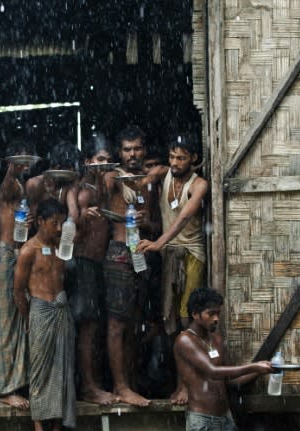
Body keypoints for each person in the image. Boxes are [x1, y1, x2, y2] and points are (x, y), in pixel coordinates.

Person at [174, 288, 273, 431]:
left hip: (225, 421)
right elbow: (211, 371)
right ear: (195, 314)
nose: (216, 318)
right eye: (211, 313)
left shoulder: (216, 340)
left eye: (218, 313)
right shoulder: (185, 341)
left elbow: (230, 380)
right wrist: (253, 365)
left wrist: (261, 371)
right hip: (202, 423)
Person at [138, 135, 209, 405]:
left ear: (194, 159)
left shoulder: (199, 185)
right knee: (169, 324)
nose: (175, 163)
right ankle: (177, 383)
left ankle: (187, 386)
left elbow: (185, 216)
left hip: (191, 255)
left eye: (181, 158)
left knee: (187, 322)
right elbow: (137, 183)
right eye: (172, 157)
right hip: (169, 256)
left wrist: (159, 241)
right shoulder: (163, 173)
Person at [101, 125, 158, 406]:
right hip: (120, 253)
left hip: (142, 252)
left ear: (144, 150)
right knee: (116, 324)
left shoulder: (149, 181)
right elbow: (101, 185)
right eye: (127, 149)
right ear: (119, 153)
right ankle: (120, 386)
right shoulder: (114, 178)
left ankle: (132, 382)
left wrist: (148, 222)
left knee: (136, 323)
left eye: (137, 148)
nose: (133, 154)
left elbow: (157, 225)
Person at [14, 198, 77, 431]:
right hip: (39, 309)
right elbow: (18, 291)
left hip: (61, 309)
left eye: (62, 223)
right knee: (39, 372)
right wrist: (30, 318)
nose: (59, 228)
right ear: (40, 221)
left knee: (62, 371)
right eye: (54, 223)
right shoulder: (29, 250)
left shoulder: (62, 246)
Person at [65, 136, 118, 405]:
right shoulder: (80, 189)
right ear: (87, 162)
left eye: (107, 159)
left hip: (97, 265)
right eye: (99, 159)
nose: (104, 164)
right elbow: (70, 233)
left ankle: (91, 383)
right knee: (85, 328)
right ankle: (87, 387)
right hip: (82, 264)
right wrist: (83, 219)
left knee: (94, 328)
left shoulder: (105, 186)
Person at [0, 139, 34, 411]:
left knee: (21, 322)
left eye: (26, 159)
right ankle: (4, 389)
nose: (23, 164)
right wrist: (11, 170)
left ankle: (18, 382)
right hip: (5, 256)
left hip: (21, 254)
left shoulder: (25, 188)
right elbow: (6, 187)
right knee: (5, 325)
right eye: (18, 160)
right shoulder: (8, 186)